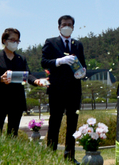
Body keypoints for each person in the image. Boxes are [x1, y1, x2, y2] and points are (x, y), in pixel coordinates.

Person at [41, 15, 87, 163]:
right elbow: (43, 62)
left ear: (73, 27)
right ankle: (50, 155)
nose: (66, 26)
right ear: (59, 26)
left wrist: (83, 72)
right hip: (57, 89)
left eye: (69, 24)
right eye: (64, 24)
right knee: (55, 122)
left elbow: (83, 64)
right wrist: (59, 61)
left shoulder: (78, 45)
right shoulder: (51, 42)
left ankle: (70, 156)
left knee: (72, 123)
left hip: (74, 89)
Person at [0, 28, 46, 136]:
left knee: (13, 133)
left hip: (16, 100)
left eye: (17, 41)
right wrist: (0, 79)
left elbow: (28, 75)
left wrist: (36, 81)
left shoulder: (21, 59)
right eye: (12, 40)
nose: (15, 43)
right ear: (4, 40)